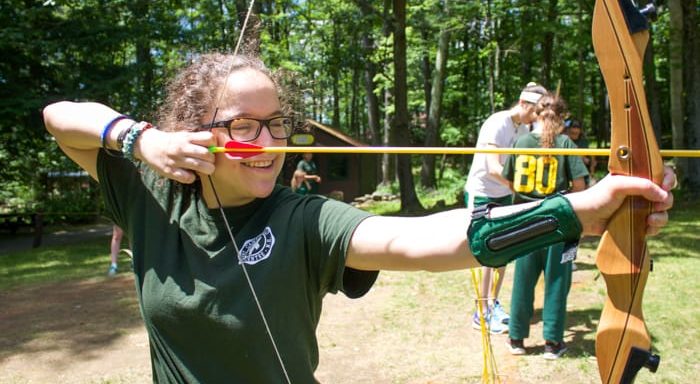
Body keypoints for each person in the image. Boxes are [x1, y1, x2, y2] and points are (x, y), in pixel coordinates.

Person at [43, 52, 675, 382]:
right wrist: (137, 139)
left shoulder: (303, 217)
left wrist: (575, 211)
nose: (267, 142)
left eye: (276, 123)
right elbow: (59, 116)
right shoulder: (152, 195)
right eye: (241, 127)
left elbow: (420, 238)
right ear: (193, 136)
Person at [502, 94, 589, 359]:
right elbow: (580, 187)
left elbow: (510, 180)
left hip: (525, 220)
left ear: (537, 114)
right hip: (559, 222)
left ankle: (516, 338)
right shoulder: (566, 144)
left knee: (522, 280)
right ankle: (552, 342)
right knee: (557, 282)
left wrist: (527, 197)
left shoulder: (520, 142)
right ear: (562, 117)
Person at [463, 82, 548, 334]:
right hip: (482, 194)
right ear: (524, 104)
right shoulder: (498, 122)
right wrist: (524, 188)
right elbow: (492, 167)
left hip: (504, 194)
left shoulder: (523, 127)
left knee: (503, 252)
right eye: (536, 112)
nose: (538, 119)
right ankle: (481, 310)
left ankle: (493, 303)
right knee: (485, 253)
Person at [565, 119, 598, 185]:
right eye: (573, 127)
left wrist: (591, 170)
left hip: (582, 170)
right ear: (568, 130)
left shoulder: (583, 142)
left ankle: (590, 177)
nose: (575, 130)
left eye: (577, 128)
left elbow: (590, 159)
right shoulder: (565, 141)